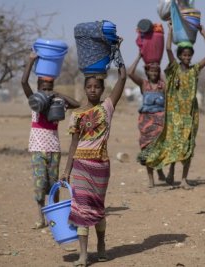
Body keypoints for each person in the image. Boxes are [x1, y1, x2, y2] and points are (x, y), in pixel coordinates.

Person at [60, 41, 126, 267]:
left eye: (97, 87)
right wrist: (66, 171)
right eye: (89, 87)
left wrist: (117, 52)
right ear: (85, 89)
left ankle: (101, 244)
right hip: (80, 165)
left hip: (100, 166)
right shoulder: (77, 115)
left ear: (102, 89)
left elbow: (123, 78)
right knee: (80, 208)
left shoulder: (107, 107)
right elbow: (73, 144)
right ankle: (83, 255)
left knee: (97, 208)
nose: (93, 90)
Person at [138, 23, 205, 187]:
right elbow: (168, 49)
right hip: (175, 115)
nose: (187, 57)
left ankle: (184, 179)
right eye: (184, 55)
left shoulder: (195, 70)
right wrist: (171, 31)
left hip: (190, 115)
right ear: (180, 56)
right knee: (174, 144)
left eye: (189, 55)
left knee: (188, 146)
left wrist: (204, 33)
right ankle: (171, 170)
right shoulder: (174, 69)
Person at [21, 52, 80, 229]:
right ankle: (41, 218)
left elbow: (76, 104)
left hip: (54, 149)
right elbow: (23, 83)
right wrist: (31, 61)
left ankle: (53, 217)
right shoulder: (35, 102)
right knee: (40, 185)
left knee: (54, 185)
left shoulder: (57, 103)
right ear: (38, 89)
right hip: (37, 149)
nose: (47, 91)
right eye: (44, 88)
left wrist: (57, 94)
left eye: (49, 87)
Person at [128, 53, 166, 187]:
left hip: (160, 123)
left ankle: (160, 170)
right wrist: (139, 56)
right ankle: (151, 178)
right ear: (147, 72)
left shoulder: (163, 86)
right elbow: (130, 72)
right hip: (145, 123)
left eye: (156, 71)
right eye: (151, 70)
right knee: (147, 150)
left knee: (159, 149)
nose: (154, 73)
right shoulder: (143, 84)